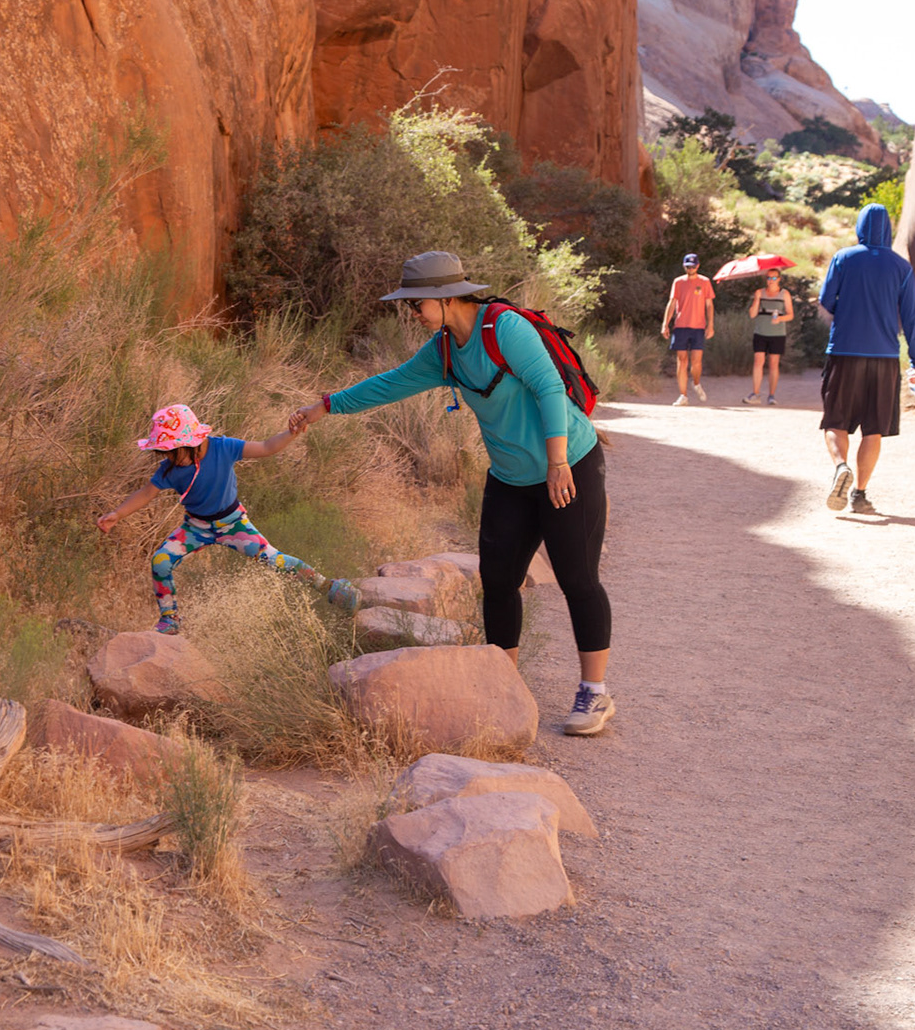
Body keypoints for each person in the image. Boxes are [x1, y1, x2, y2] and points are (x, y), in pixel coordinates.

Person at [290, 251, 616, 737]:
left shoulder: (504, 328)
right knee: (498, 581)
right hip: (510, 478)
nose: (412, 313)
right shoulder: (444, 350)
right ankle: (503, 685)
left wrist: (557, 462)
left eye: (416, 303)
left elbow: (549, 388)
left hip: (568, 466)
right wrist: (324, 407)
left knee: (577, 579)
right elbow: (392, 384)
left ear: (444, 298)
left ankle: (595, 693)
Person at [98, 403, 358, 634]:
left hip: (233, 524)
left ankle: (329, 587)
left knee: (275, 559)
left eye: (172, 451)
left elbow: (266, 447)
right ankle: (170, 619)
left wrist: (291, 433)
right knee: (160, 562)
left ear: (191, 443)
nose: (169, 458)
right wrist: (117, 514)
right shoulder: (170, 470)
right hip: (196, 527)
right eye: (165, 453)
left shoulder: (223, 448)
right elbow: (146, 493)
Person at [817, 204, 915, 515]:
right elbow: (912, 319)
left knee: (835, 421)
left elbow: (826, 300)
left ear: (860, 226)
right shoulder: (902, 267)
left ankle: (841, 467)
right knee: (874, 429)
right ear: (888, 228)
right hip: (885, 357)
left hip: (845, 352)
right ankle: (860, 494)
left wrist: (849, 308)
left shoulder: (843, 258)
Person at [661, 253, 717, 406]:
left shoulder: (704, 282)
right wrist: (665, 323)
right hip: (681, 326)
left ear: (698, 266)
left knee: (696, 361)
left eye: (693, 266)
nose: (690, 269)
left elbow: (709, 305)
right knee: (682, 360)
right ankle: (683, 395)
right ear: (684, 266)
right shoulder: (678, 282)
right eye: (688, 266)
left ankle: (696, 383)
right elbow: (672, 303)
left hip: (698, 327)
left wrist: (710, 325)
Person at [743, 270, 795, 405]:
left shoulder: (784, 294)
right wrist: (757, 298)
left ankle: (771, 395)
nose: (771, 280)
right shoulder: (760, 293)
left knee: (773, 364)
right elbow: (752, 314)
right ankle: (756, 394)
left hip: (777, 334)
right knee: (758, 362)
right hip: (760, 332)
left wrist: (780, 319)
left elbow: (790, 315)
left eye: (774, 278)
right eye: (768, 278)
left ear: (779, 279)